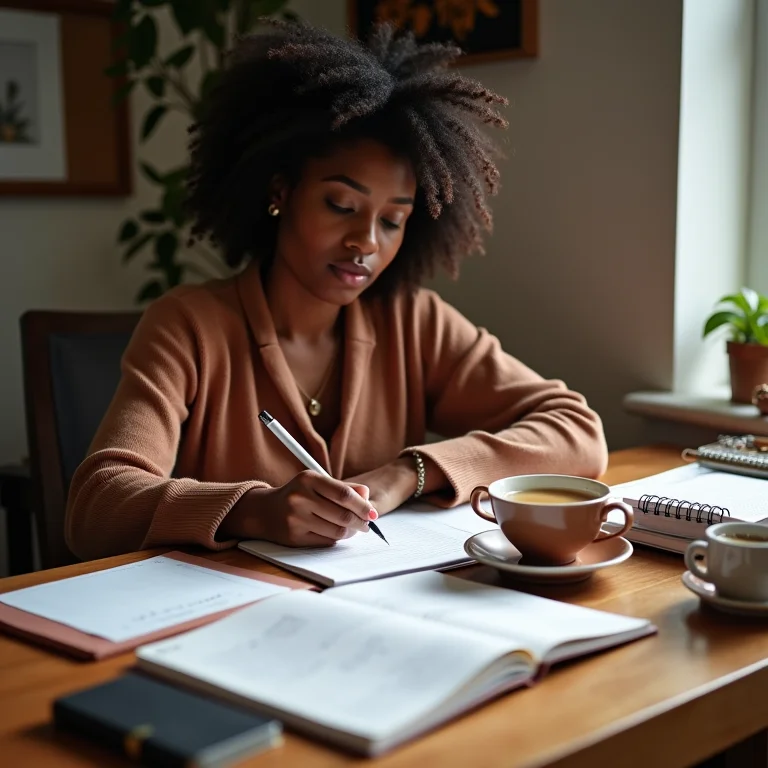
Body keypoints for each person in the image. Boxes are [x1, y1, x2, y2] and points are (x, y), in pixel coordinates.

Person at [65, 21, 608, 561]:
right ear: (281, 192)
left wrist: (409, 472)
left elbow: (578, 432)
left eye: (393, 221)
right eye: (341, 207)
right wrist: (256, 510)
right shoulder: (189, 327)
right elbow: (95, 509)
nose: (365, 242)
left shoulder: (411, 321)